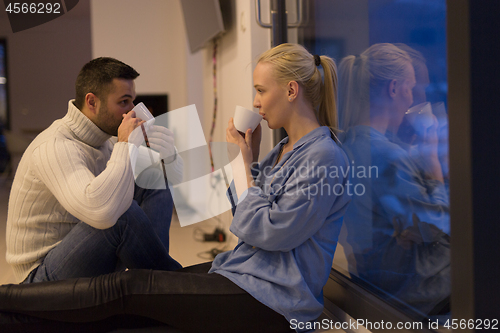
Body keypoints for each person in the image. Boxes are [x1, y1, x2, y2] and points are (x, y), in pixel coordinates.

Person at [0, 43, 351, 333]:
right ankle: (24, 305)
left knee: (129, 287)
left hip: (273, 300)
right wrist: (250, 160)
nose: (256, 102)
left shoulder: (324, 157)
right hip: (246, 276)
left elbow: (266, 232)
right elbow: (247, 217)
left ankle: (6, 300)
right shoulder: (285, 149)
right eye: (124, 103)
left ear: (291, 91)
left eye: (260, 90)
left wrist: (240, 162)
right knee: (139, 291)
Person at [5, 57, 183, 285]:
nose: (132, 112)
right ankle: (174, 285)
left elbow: (172, 179)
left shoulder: (105, 139)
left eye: (133, 102)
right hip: (40, 277)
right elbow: (103, 212)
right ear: (92, 102)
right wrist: (125, 146)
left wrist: (169, 155)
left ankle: (157, 281)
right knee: (121, 214)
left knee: (153, 180)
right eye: (124, 102)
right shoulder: (55, 146)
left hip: (77, 249)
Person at [337, 43, 450, 315]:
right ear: (394, 88)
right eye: (410, 88)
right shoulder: (386, 154)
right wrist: (433, 161)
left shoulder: (349, 143)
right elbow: (437, 224)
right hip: (408, 290)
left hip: (371, 279)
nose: (412, 99)